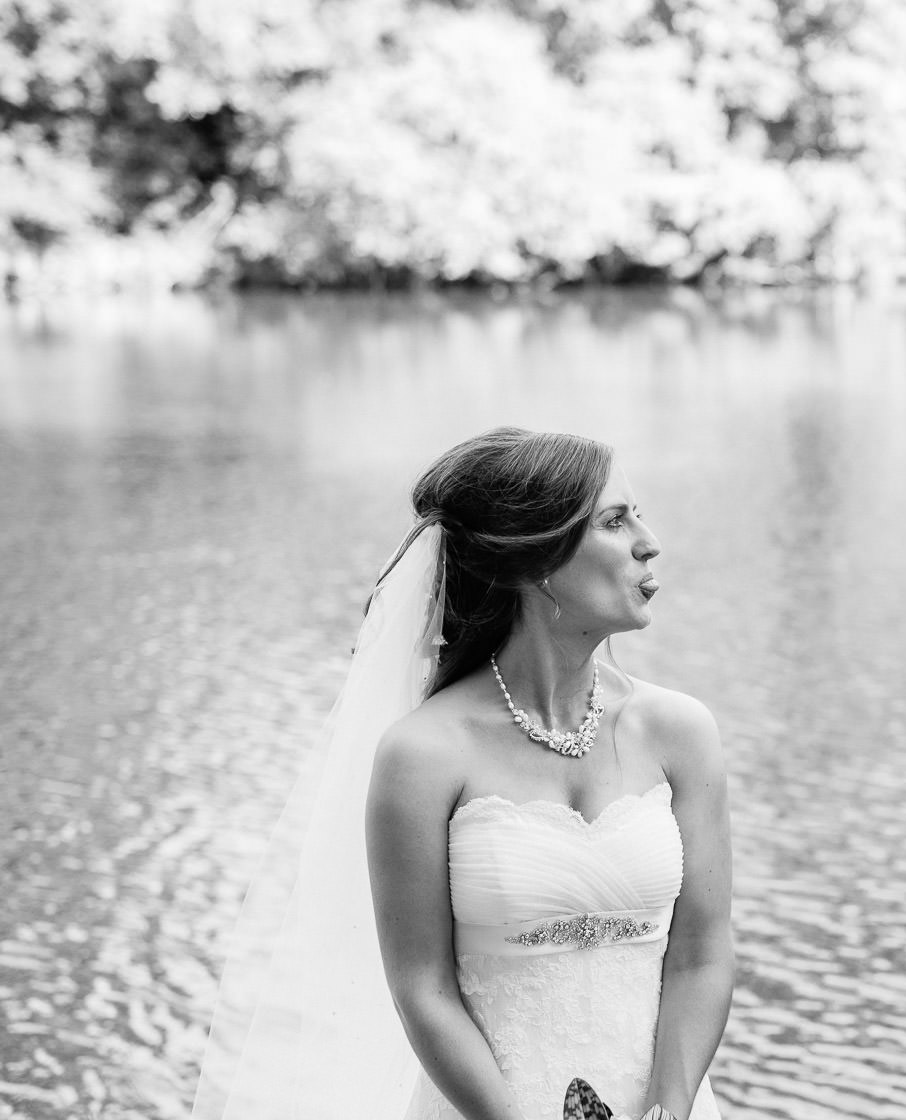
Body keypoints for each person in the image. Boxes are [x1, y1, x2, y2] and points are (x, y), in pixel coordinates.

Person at [192, 428, 732, 1120]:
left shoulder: (681, 732)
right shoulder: (423, 755)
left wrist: (669, 1108)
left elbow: (702, 954)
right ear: (536, 560)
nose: (648, 543)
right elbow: (424, 989)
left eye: (639, 516)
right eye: (614, 521)